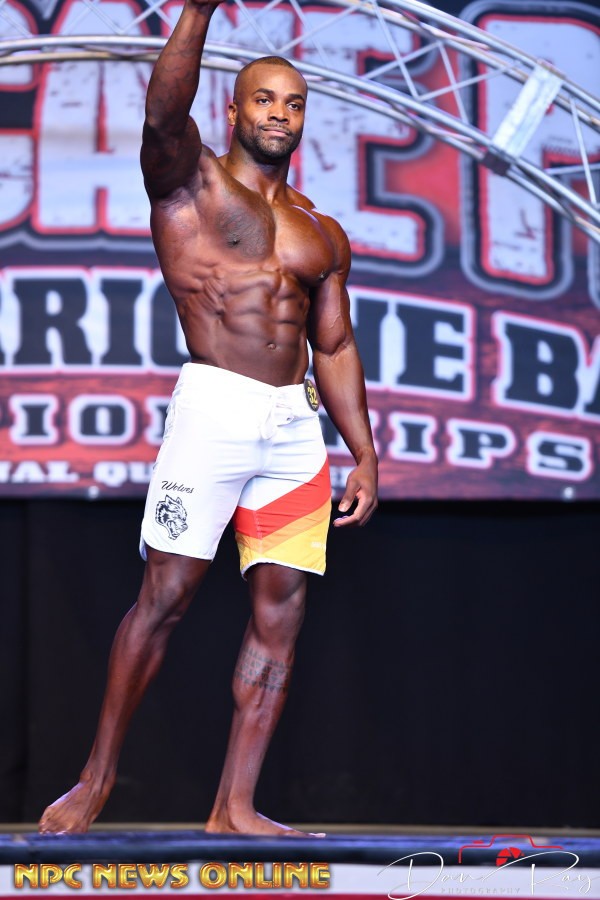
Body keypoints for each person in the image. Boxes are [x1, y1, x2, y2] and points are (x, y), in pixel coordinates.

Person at [38, 0, 377, 837]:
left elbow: (334, 345)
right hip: (215, 409)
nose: (279, 115)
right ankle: (95, 780)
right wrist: (196, 10)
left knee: (281, 611)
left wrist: (364, 453)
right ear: (233, 109)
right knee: (165, 596)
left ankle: (235, 806)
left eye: (294, 104)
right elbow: (162, 114)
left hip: (293, 428)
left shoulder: (322, 231)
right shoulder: (189, 182)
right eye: (264, 100)